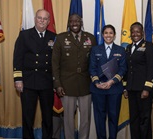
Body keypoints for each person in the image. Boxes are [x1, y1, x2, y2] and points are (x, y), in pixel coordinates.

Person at [52, 13, 97, 139]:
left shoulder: (91, 38)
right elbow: (55, 64)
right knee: (68, 120)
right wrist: (57, 84)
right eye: (71, 21)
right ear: (68, 23)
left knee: (85, 119)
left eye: (77, 21)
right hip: (66, 85)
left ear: (81, 22)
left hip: (85, 85)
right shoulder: (60, 38)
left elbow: (95, 61)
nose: (74, 23)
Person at [13, 9, 56, 139]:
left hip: (47, 82)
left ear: (48, 21)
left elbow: (56, 61)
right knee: (28, 116)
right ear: (35, 19)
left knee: (48, 117)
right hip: (28, 82)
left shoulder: (53, 36)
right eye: (39, 18)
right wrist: (18, 79)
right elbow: (17, 58)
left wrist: (57, 81)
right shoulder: (24, 35)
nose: (42, 21)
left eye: (45, 19)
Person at [89, 24, 127, 139]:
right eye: (106, 33)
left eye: (111, 33)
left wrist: (111, 82)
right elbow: (92, 68)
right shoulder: (95, 49)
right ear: (102, 35)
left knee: (113, 117)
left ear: (114, 35)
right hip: (98, 89)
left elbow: (123, 69)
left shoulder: (121, 50)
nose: (108, 35)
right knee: (99, 118)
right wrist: (97, 83)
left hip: (114, 89)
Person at [123, 22, 153, 139]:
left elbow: (151, 68)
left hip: (143, 90)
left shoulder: (148, 45)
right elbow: (127, 69)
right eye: (133, 31)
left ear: (142, 33)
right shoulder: (128, 48)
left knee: (144, 119)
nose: (135, 34)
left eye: (138, 31)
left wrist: (147, 88)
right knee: (134, 118)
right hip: (131, 89)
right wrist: (125, 87)